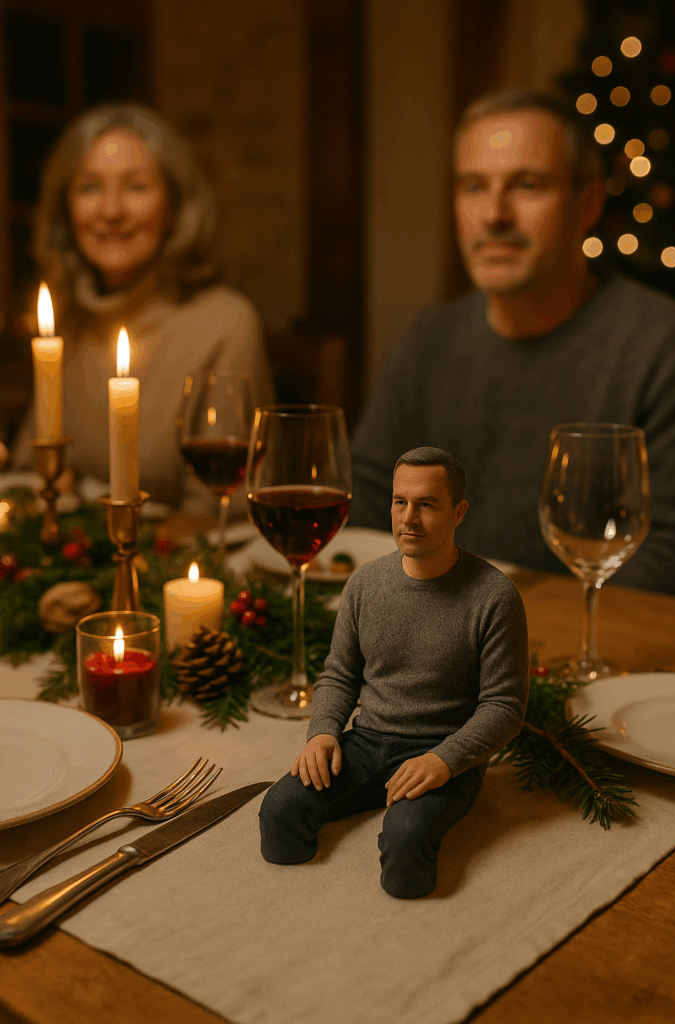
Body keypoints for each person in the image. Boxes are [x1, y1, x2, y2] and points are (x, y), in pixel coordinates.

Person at [349, 89, 675, 595]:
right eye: (474, 186)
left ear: (588, 204)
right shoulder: (430, 339)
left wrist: (495, 621)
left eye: (527, 185)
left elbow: (671, 553)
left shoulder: (662, 345)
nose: (494, 214)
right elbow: (369, 499)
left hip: (582, 636)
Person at [259, 448, 529, 899]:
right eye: (400, 502)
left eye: (426, 504)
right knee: (279, 816)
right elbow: (340, 674)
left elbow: (505, 707)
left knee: (406, 852)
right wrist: (322, 733)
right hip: (367, 742)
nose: (409, 518)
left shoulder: (494, 597)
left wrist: (445, 760)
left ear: (458, 512)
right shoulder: (365, 583)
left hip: (442, 750)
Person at [9, 103, 273, 514]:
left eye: (136, 187)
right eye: (89, 187)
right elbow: (30, 468)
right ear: (65, 208)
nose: (111, 211)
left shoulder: (226, 324)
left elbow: (219, 515)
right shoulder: (68, 319)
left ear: (174, 208)